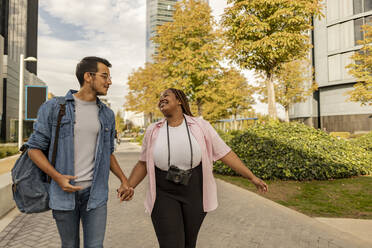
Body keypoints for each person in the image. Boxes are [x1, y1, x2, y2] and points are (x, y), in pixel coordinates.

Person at [127, 88, 268, 248]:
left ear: (179, 100)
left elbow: (224, 153)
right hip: (163, 192)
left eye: (165, 95)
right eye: (159, 98)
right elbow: (143, 163)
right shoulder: (153, 130)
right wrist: (129, 185)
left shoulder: (201, 126)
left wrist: (252, 177)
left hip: (194, 191)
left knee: (189, 243)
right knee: (172, 243)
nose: (161, 99)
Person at [27, 56, 134, 248]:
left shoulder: (107, 114)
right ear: (88, 76)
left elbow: (108, 153)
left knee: (95, 245)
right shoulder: (54, 108)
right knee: (69, 245)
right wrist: (58, 177)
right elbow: (33, 149)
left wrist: (124, 180)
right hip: (63, 192)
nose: (109, 82)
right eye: (105, 76)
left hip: (96, 193)